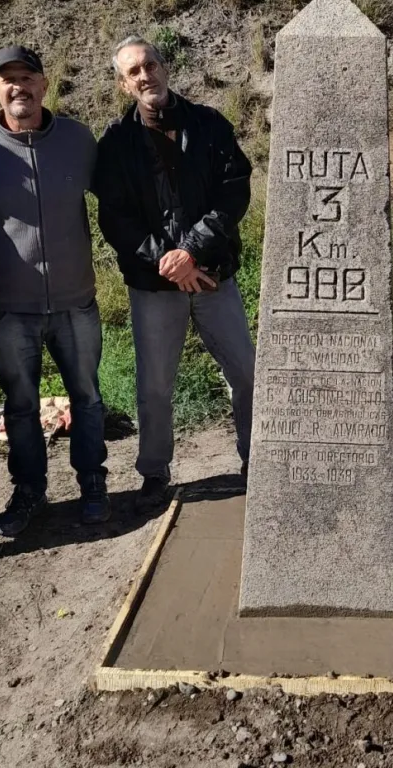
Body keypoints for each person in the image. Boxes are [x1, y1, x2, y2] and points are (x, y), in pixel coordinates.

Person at [94, 36, 255, 512]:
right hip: (154, 285)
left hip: (213, 275)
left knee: (246, 371)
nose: (145, 76)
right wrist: (169, 263)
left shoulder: (209, 124)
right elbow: (116, 220)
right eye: (134, 72)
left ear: (165, 67)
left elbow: (233, 193)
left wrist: (192, 252)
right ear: (125, 85)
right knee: (154, 385)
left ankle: (256, 458)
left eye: (150, 64)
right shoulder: (116, 144)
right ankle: (154, 472)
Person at [0, 46, 108, 535]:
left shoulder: (79, 140)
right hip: (10, 310)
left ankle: (92, 483)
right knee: (20, 406)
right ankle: (29, 492)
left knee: (86, 396)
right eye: (8, 79)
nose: (19, 86)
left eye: (28, 77)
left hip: (76, 302)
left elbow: (122, 203)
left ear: (44, 84)